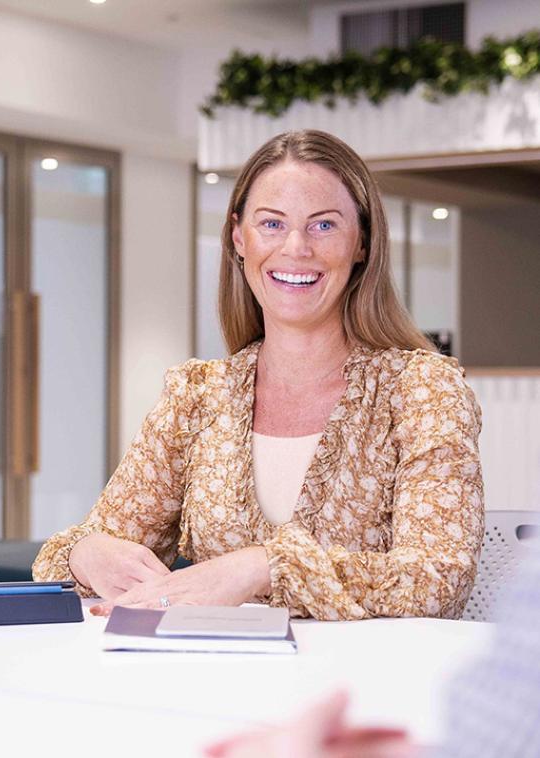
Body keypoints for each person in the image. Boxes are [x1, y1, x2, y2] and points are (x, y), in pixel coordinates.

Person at [33, 130, 484, 620]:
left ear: (362, 243)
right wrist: (87, 554)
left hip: (359, 690)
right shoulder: (197, 396)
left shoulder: (424, 392)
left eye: (324, 226)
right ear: (238, 237)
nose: (295, 248)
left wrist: (266, 567)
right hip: (209, 684)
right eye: (271, 223)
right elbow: (72, 555)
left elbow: (439, 579)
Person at [206, 548, 540, 757]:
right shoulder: (188, 431)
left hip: (386, 679)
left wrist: (269, 566)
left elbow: (437, 576)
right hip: (232, 683)